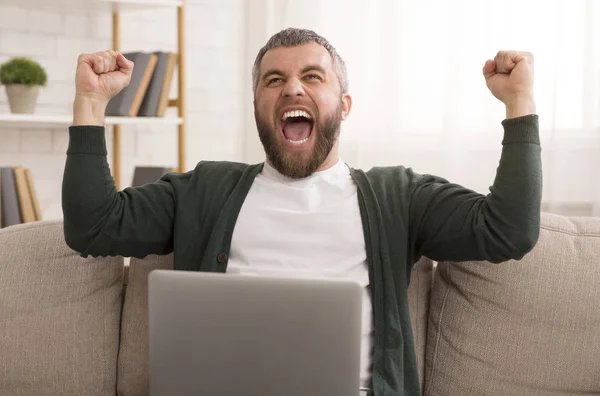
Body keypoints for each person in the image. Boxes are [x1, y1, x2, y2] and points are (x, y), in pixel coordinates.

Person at [62, 27, 542, 396]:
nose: (293, 89)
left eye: (312, 76)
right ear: (258, 106)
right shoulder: (202, 190)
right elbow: (93, 227)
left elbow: (507, 231)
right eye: (275, 80)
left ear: (344, 104)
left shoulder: (399, 195)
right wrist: (90, 102)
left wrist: (518, 102)